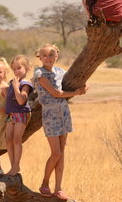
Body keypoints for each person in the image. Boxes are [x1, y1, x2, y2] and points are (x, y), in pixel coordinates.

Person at [33, 44, 88, 200]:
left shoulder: (60, 72)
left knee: (62, 154)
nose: (48, 58)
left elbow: (76, 80)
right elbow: (56, 93)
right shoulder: (39, 73)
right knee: (55, 153)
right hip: (50, 114)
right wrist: (76, 93)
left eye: (51, 55)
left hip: (63, 112)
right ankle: (45, 183)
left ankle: (58, 188)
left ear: (56, 55)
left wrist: (84, 86)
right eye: (44, 56)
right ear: (40, 57)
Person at [5, 55, 34, 176]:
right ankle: (13, 166)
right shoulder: (13, 82)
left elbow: (21, 100)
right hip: (11, 114)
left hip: (21, 113)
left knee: (17, 139)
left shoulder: (25, 83)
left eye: (19, 68)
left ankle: (16, 165)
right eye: (14, 69)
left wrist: (16, 88)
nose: (17, 71)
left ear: (26, 68)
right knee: (8, 140)